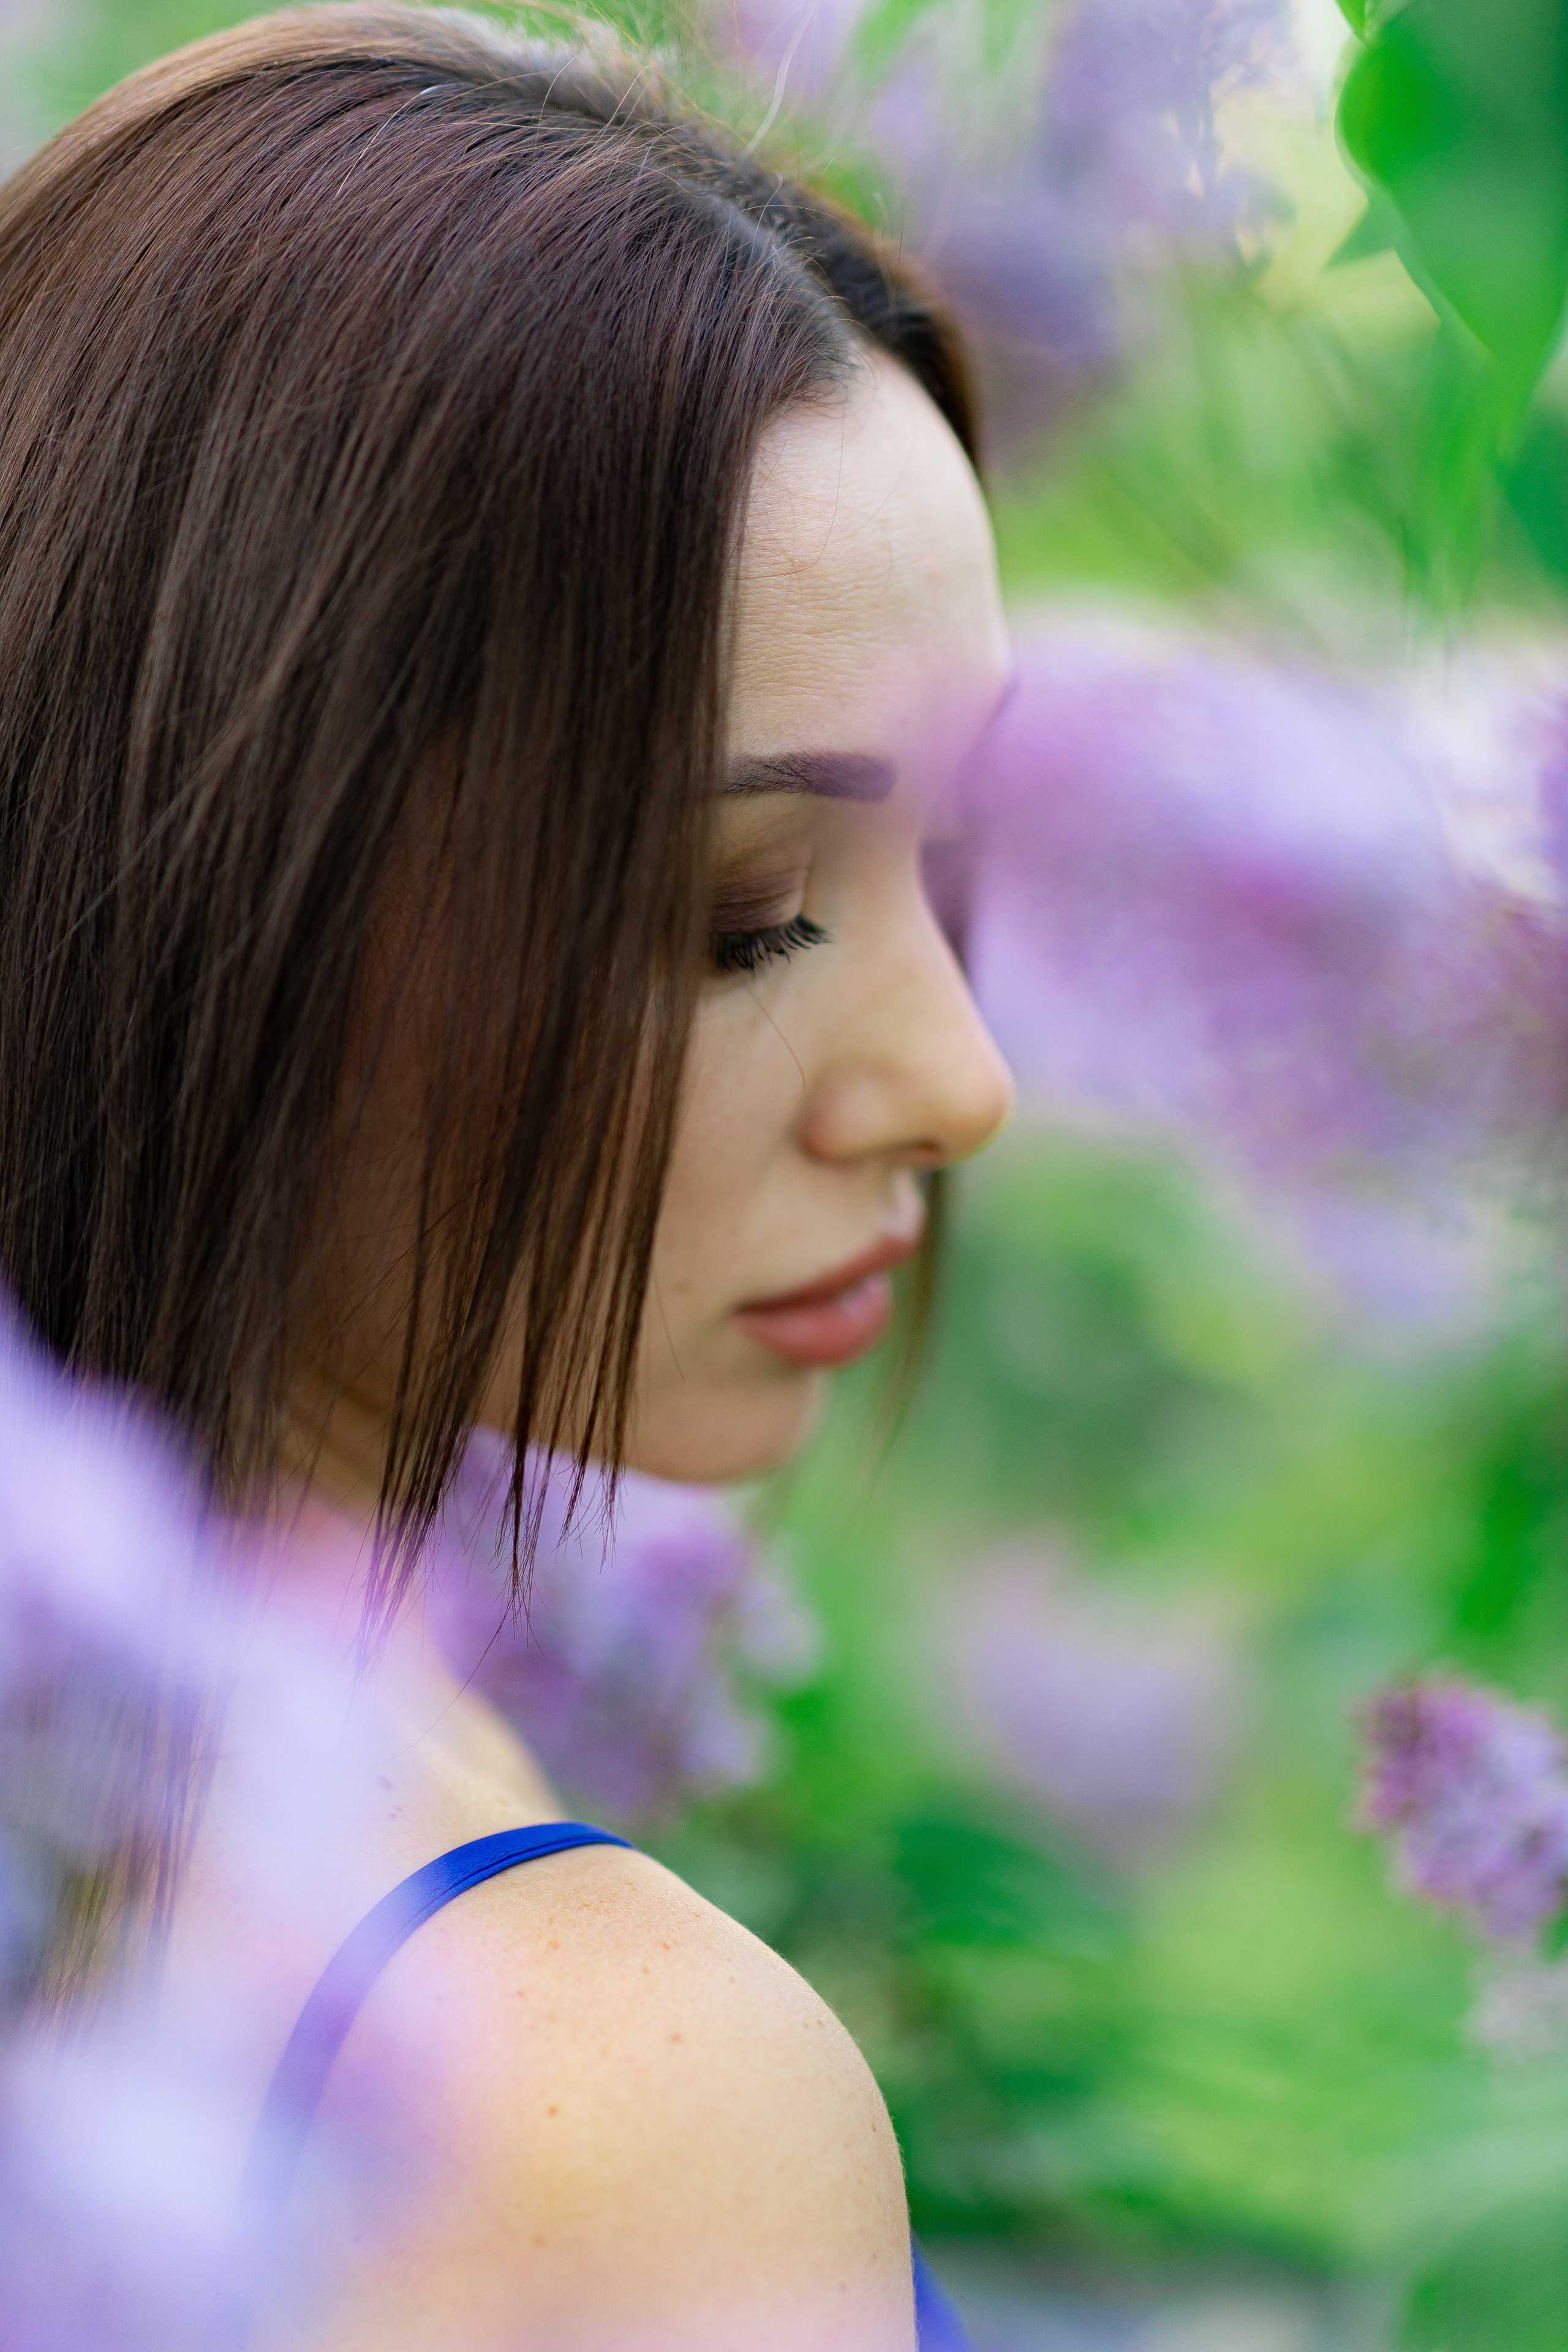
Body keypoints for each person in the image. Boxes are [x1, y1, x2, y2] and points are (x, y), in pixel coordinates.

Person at [0, 7, 1014, 2345]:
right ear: (212, 893)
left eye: (960, 867)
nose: (958, 1082)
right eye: (741, 913)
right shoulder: (594, 2094)